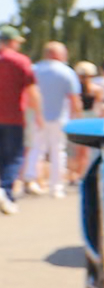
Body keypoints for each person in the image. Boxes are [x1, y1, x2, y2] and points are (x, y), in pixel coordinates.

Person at [28, 40, 82, 197]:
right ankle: (56, 187)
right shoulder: (66, 72)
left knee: (36, 149)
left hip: (36, 116)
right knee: (58, 151)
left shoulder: (34, 70)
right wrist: (77, 117)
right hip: (59, 118)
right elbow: (74, 98)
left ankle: (31, 180)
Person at [0, 28, 34, 214]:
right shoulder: (19, 61)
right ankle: (5, 192)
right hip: (13, 117)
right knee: (13, 158)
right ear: (11, 41)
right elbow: (31, 90)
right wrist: (39, 115)